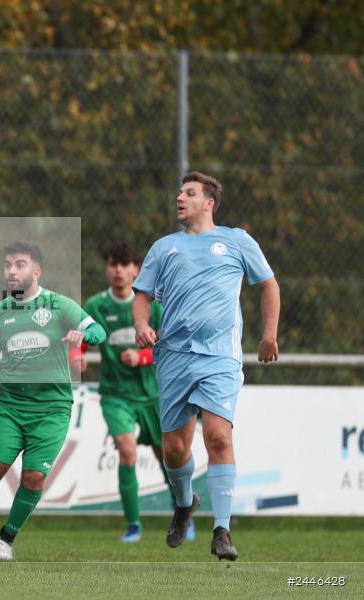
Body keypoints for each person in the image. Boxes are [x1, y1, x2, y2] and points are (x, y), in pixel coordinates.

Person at [133, 171, 280, 561]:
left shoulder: (236, 240)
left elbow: (269, 284)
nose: (180, 198)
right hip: (174, 357)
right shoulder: (164, 247)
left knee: (218, 437)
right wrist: (142, 325)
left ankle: (222, 531)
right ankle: (185, 503)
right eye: (179, 192)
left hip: (220, 357)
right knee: (174, 448)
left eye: (189, 193)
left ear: (209, 202)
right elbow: (142, 297)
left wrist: (269, 334)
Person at [0, 241, 107, 561]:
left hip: (52, 408)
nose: (12, 271)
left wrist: (84, 335)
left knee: (34, 477)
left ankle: (6, 540)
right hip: (11, 405)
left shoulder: (59, 305)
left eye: (20, 264)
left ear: (36, 271)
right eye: (7, 265)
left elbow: (99, 331)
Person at [82, 242, 194, 543]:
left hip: (154, 394)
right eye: (113, 264)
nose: (119, 270)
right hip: (116, 395)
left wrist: (143, 357)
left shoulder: (152, 306)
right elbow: (81, 336)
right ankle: (133, 525)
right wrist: (78, 354)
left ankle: (183, 513)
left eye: (125, 264)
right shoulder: (96, 306)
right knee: (127, 450)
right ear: (107, 269)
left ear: (136, 270)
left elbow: (173, 346)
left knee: (169, 456)